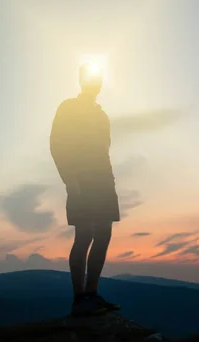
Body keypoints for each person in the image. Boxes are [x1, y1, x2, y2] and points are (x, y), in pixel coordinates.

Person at [50, 62, 121, 317]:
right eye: (91, 78)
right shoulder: (68, 107)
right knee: (85, 234)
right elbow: (57, 144)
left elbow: (105, 147)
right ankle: (79, 299)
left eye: (98, 79)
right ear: (82, 81)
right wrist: (70, 179)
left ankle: (92, 294)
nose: (95, 83)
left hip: (103, 179)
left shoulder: (102, 115)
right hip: (81, 179)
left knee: (103, 234)